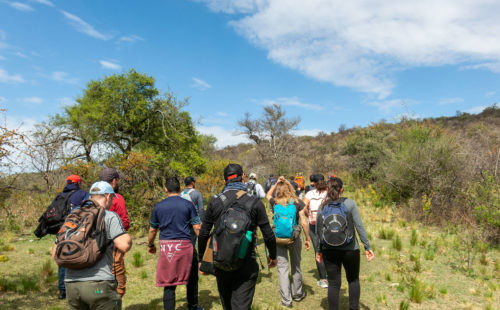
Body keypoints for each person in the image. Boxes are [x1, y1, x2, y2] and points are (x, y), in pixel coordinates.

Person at [198, 163, 277, 310]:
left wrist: (201, 259)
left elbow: (203, 233)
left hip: (221, 263)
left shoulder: (214, 201)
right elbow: (268, 234)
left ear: (224, 181)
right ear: (243, 179)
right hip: (246, 263)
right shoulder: (254, 202)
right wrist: (273, 256)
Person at [57, 181, 132, 310]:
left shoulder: (73, 216)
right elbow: (124, 245)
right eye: (112, 198)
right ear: (108, 196)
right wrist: (127, 237)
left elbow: (55, 252)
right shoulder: (108, 216)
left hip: (72, 286)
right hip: (99, 286)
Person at [315, 177, 374, 310]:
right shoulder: (350, 204)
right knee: (353, 280)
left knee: (333, 283)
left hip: (329, 250)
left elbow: (320, 232)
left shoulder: (322, 206)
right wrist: (367, 246)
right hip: (351, 249)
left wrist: (319, 250)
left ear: (327, 189)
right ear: (342, 189)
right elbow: (359, 227)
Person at [148, 177, 203, 310]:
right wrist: (204, 245)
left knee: (169, 282)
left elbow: (152, 230)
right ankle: (193, 306)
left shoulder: (158, 206)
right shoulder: (188, 205)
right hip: (185, 246)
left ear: (165, 189)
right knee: (191, 279)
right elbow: (197, 228)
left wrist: (151, 245)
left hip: (167, 248)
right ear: (179, 189)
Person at [266, 176, 310, 308]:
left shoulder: (275, 202)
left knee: (282, 269)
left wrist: (276, 184)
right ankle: (297, 293)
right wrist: (307, 238)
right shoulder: (297, 202)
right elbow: (303, 221)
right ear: (290, 188)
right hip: (294, 239)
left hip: (278, 240)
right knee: (296, 266)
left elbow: (267, 194)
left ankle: (286, 300)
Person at [56, 175, 88, 300]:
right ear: (78, 183)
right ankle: (79, 287)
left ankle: (62, 290)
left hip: (61, 231)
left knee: (62, 259)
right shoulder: (83, 194)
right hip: (76, 230)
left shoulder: (59, 196)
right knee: (80, 256)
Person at [99, 167, 130, 297]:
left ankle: (100, 296)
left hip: (95, 243)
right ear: (113, 181)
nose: (118, 183)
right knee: (116, 269)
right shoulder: (117, 198)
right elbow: (125, 222)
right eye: (117, 180)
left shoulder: (91, 197)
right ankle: (117, 297)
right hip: (114, 243)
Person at [302, 174, 328, 288]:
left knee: (318, 250)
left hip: (313, 225)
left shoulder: (309, 194)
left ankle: (323, 279)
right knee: (329, 248)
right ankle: (331, 275)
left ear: (313, 183)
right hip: (327, 224)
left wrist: (308, 214)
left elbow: (303, 208)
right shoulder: (329, 191)